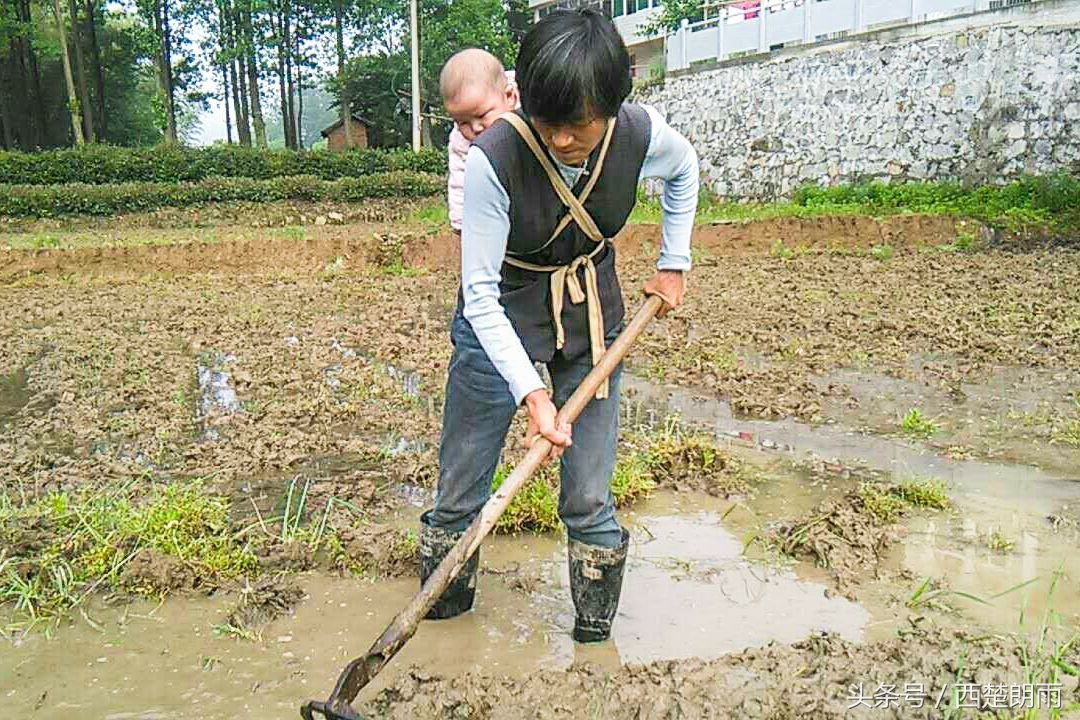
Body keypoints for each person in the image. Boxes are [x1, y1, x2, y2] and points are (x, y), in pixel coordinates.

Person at [419, 8, 699, 644]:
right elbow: (480, 295)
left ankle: (595, 640)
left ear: (610, 104)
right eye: (548, 123)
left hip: (591, 311)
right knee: (463, 483)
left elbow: (685, 171)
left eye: (578, 125)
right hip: (503, 312)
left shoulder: (640, 133)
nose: (563, 139)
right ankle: (442, 624)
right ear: (524, 102)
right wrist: (534, 394)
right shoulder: (493, 158)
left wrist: (673, 263)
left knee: (589, 494)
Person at [439, 49, 520, 235]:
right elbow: (460, 177)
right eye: (463, 122)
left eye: (482, 115)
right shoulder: (460, 141)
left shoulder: (533, 109)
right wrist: (460, 222)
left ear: (509, 97)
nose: (476, 128)